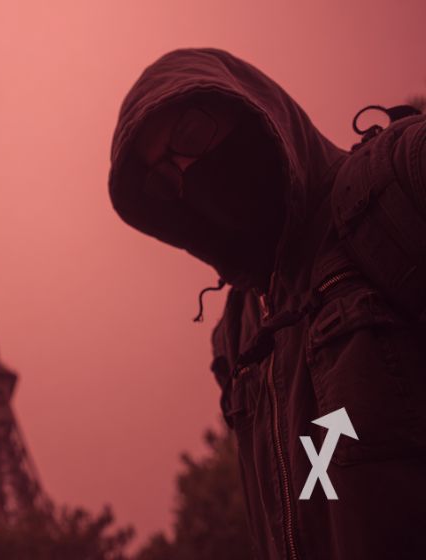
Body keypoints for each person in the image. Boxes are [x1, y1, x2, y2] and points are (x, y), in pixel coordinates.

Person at [107, 48, 426, 559]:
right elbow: (322, 482)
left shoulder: (397, 181)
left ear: (251, 107)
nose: (187, 171)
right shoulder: (244, 328)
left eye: (190, 133)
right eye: (164, 178)